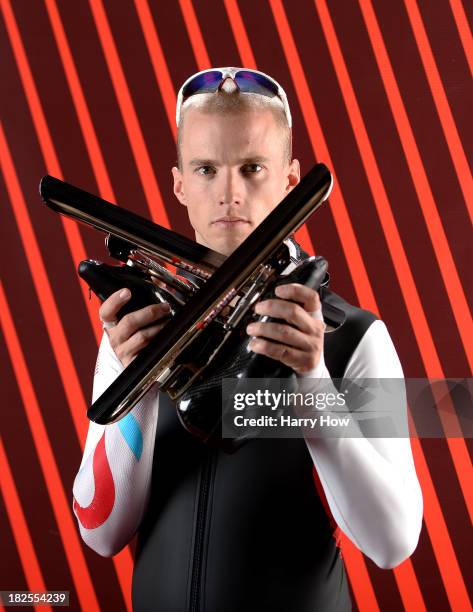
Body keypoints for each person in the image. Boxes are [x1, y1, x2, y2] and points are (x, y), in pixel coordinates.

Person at [72, 67, 423, 611]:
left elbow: (393, 542)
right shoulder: (132, 333)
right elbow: (99, 532)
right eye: (206, 169)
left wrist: (312, 387)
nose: (229, 194)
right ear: (180, 184)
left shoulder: (355, 338)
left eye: (253, 168)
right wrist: (136, 380)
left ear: (290, 181)